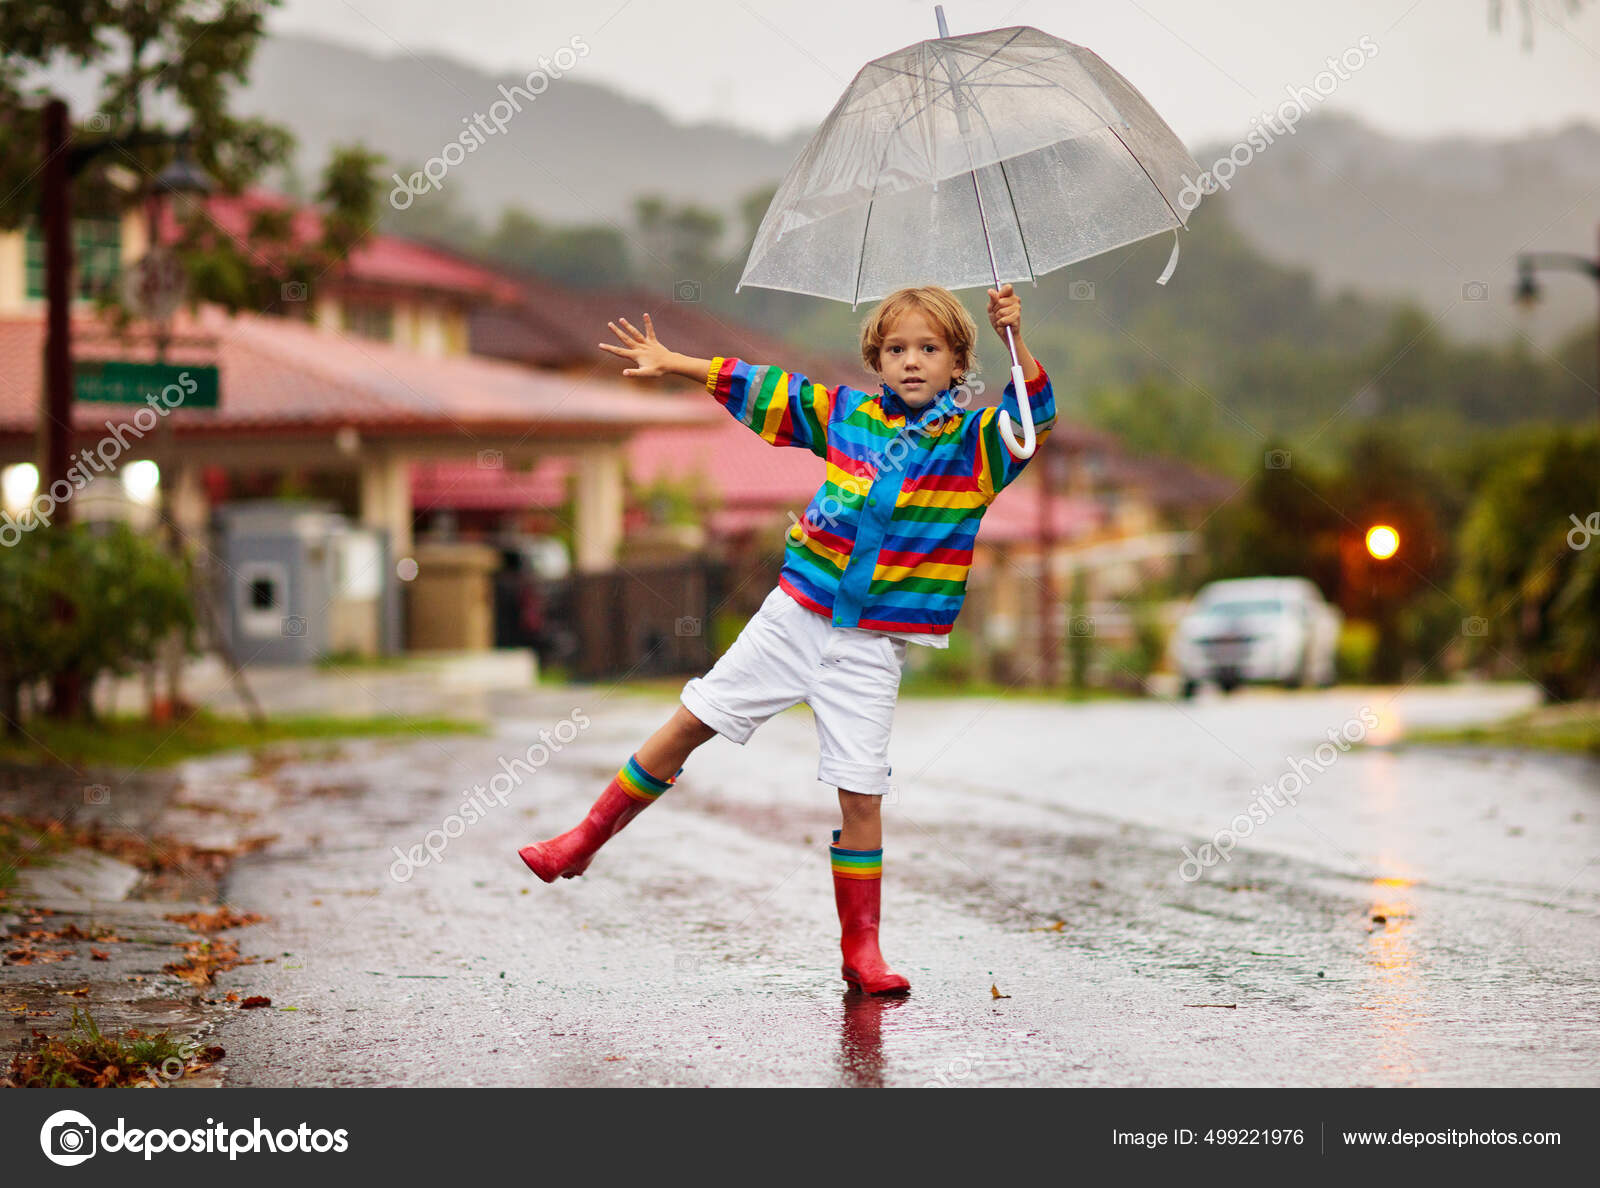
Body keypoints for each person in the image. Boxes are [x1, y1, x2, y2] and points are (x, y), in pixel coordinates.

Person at [517, 283, 1055, 995]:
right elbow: (769, 390)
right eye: (897, 349)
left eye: (930, 349)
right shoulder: (848, 417)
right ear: (877, 360)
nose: (912, 362)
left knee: (861, 794)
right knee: (690, 721)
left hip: (869, 645)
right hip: (793, 618)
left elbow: (1033, 418)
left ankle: (862, 950)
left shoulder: (973, 447)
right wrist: (675, 361)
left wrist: (1015, 337)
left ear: (959, 364)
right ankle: (582, 841)